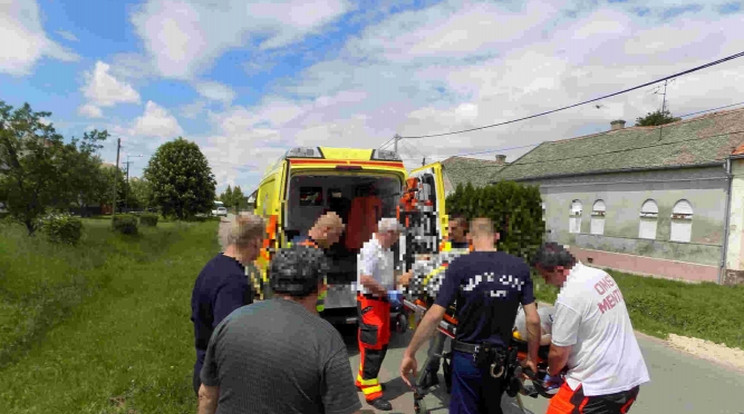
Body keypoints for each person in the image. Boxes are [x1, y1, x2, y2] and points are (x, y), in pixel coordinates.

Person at [197, 245, 363, 414]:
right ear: (321, 287)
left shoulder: (230, 322)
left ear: (272, 280)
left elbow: (207, 395)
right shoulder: (325, 339)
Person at [400, 217, 541, 414]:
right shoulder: (520, 267)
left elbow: (433, 316)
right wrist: (532, 359)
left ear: (470, 238)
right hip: (499, 362)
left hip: (468, 358)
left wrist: (410, 353)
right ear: (497, 236)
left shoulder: (460, 265)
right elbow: (533, 320)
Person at [531, 242, 650, 414]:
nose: (546, 282)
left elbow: (558, 353)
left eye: (546, 276)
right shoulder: (601, 276)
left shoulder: (570, 296)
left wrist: (551, 371)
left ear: (559, 269)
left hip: (595, 387)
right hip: (629, 381)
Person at [190, 212, 265, 395]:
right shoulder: (234, 282)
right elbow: (229, 343)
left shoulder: (214, 267)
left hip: (205, 368)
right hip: (220, 383)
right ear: (255, 241)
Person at [355, 217, 410, 411]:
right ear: (388, 233)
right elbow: (365, 278)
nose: (396, 240)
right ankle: (372, 393)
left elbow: (386, 276)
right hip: (371, 302)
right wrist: (387, 293)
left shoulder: (385, 251)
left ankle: (364, 379)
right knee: (373, 347)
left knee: (381, 342)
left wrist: (400, 282)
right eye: (396, 236)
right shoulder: (371, 249)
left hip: (381, 303)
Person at [291, 211, 346, 313]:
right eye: (336, 235)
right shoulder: (311, 253)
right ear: (326, 230)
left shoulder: (302, 246)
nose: (337, 240)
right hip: (307, 312)